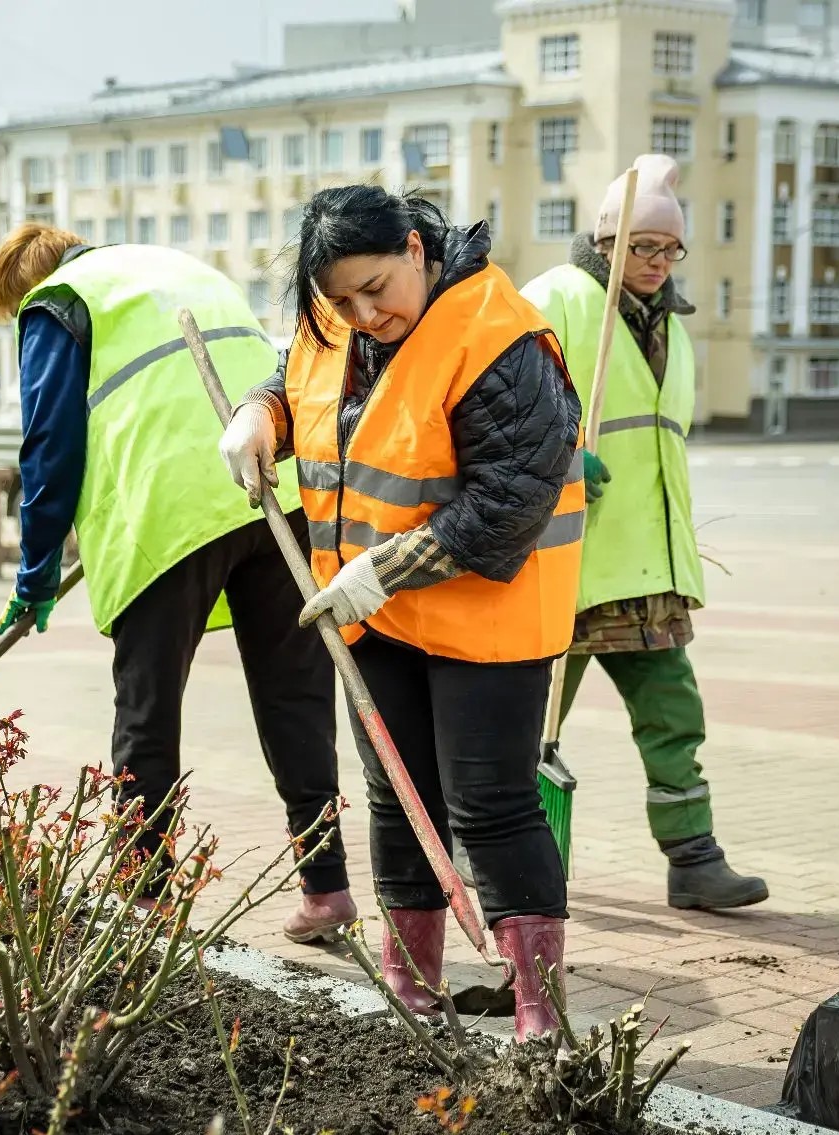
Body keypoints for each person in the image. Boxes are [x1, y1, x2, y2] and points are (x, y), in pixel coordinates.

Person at [221, 188, 586, 1040]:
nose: (362, 312)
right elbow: (296, 381)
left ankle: (540, 1009)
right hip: (372, 617)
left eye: (377, 288)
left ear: (418, 249)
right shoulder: (336, 318)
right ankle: (412, 983)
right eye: (342, 298)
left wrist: (385, 570)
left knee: (490, 802)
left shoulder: (499, 335)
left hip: (481, 615)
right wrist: (257, 414)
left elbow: (512, 497)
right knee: (395, 795)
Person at [0, 225, 356, 940]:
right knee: (296, 699)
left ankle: (143, 893)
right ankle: (327, 888)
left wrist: (34, 572)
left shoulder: (58, 301)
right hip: (270, 489)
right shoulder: (182, 268)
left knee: (147, 706)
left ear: (24, 285)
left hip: (168, 511)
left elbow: (49, 443)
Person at [520, 155, 767, 912]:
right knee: (526, 720)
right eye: (644, 248)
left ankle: (693, 860)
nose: (659, 265)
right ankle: (481, 845)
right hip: (565, 559)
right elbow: (493, 400)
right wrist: (558, 453)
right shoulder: (554, 298)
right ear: (606, 240)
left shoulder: (674, 331)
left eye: (670, 251)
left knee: (673, 715)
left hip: (648, 566)